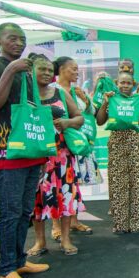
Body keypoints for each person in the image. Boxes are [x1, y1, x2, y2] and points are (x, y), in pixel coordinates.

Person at [0, 22, 49, 278]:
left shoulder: (27, 73)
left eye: (22, 39)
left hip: (30, 151)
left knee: (24, 211)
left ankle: (19, 260)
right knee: (10, 212)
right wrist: (10, 70)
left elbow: (32, 110)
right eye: (12, 38)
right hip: (6, 152)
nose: (18, 43)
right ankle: (7, 267)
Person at [28, 54, 85, 257]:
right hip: (35, 155)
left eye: (49, 70)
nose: (46, 73)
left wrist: (67, 122)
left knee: (66, 195)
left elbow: (79, 118)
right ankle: (39, 241)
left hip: (61, 156)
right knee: (37, 198)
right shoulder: (25, 95)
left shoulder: (60, 93)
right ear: (31, 72)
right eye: (41, 69)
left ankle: (66, 239)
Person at [51, 56, 100, 241]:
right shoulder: (52, 90)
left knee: (72, 184)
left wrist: (85, 100)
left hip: (77, 144)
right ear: (61, 70)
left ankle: (74, 220)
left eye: (77, 68)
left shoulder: (77, 91)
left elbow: (89, 115)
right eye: (73, 68)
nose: (77, 72)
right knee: (56, 184)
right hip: (58, 145)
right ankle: (55, 226)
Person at [96, 72, 139, 233]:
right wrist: (105, 103)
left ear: (133, 84)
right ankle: (120, 223)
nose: (125, 86)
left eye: (128, 83)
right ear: (117, 83)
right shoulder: (112, 99)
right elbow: (100, 121)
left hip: (137, 143)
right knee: (118, 182)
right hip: (117, 143)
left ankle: (137, 224)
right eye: (122, 83)